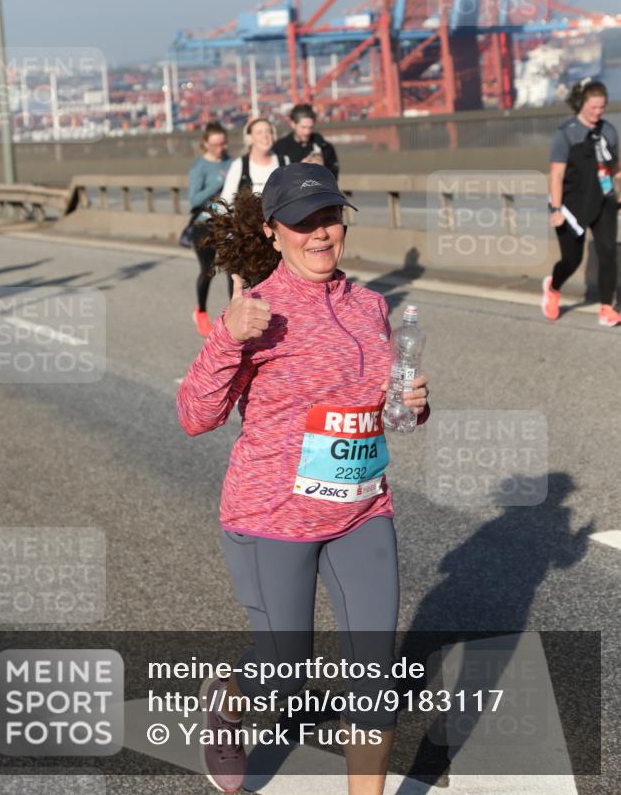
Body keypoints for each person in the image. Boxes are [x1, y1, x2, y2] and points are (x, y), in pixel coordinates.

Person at [177, 162, 430, 795]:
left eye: (329, 219)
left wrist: (414, 405)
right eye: (301, 223)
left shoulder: (372, 305)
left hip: (361, 510)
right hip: (272, 515)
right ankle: (230, 701)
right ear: (272, 231)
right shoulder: (258, 312)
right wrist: (226, 340)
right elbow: (194, 417)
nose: (319, 234)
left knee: (375, 676)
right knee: (284, 677)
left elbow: (385, 409)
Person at [542, 79, 620, 326]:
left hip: (603, 200)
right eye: (593, 107)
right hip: (571, 206)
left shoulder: (608, 131)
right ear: (582, 104)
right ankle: (553, 287)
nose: (598, 113)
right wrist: (556, 209)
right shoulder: (567, 133)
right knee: (571, 261)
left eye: (602, 108)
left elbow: (615, 167)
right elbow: (556, 174)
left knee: (608, 252)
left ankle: (607, 308)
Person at [188, 122, 233, 337]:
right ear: (205, 144)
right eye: (215, 145)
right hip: (204, 224)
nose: (220, 148)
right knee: (208, 270)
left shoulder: (232, 162)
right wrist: (217, 183)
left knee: (234, 271)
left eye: (222, 143)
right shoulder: (200, 167)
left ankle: (235, 314)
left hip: (228, 222)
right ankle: (201, 311)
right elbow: (193, 200)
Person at [220, 117, 288, 206]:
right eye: (259, 132)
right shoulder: (239, 165)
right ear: (250, 138)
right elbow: (225, 202)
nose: (265, 136)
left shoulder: (284, 161)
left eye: (268, 131)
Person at [273, 102, 340, 179]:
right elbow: (276, 178)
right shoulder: (280, 147)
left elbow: (334, 177)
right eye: (303, 127)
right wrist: (300, 168)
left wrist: (322, 168)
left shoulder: (325, 147)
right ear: (292, 124)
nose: (307, 132)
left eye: (310, 127)